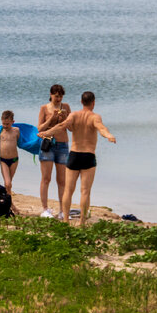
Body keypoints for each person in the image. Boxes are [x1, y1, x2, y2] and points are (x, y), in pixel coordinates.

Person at [38, 91, 115, 226]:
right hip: (88, 156)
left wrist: (46, 133)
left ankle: (66, 220)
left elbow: (61, 126)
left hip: (74, 155)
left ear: (81, 102)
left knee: (68, 189)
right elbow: (101, 128)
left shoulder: (74, 115)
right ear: (93, 103)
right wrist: (108, 135)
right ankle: (82, 222)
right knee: (85, 191)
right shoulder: (95, 117)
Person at [36, 84, 71, 218]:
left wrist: (66, 119)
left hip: (62, 145)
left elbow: (71, 128)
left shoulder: (66, 107)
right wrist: (52, 118)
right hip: (48, 145)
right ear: (51, 95)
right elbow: (39, 128)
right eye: (56, 96)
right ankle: (45, 209)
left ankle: (62, 210)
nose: (58, 99)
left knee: (62, 180)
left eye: (61, 96)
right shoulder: (44, 108)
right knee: (46, 178)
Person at [0, 110, 20, 202]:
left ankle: (7, 201)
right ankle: (9, 203)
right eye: (3, 124)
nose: (5, 126)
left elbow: (24, 142)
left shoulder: (16, 131)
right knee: (8, 183)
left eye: (7, 124)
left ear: (12, 122)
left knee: (8, 184)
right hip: (3, 161)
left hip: (14, 160)